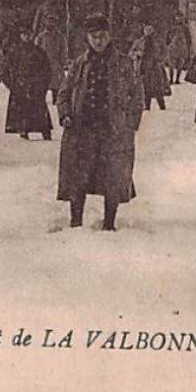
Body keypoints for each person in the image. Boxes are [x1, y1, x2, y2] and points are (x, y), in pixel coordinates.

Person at [57, 13, 144, 231]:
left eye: (102, 36)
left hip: (112, 129)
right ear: (87, 38)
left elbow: (137, 95)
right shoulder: (79, 64)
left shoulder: (123, 63)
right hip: (82, 129)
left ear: (109, 35)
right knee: (78, 176)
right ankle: (76, 221)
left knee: (112, 176)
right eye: (94, 36)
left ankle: (109, 223)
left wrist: (130, 124)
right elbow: (64, 93)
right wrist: (65, 114)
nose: (98, 41)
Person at [3, 25, 55, 140]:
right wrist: (12, 86)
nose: (27, 37)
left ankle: (45, 130)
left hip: (36, 86)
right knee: (23, 110)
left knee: (39, 109)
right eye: (24, 34)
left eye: (29, 34)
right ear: (20, 36)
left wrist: (43, 85)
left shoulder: (39, 51)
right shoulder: (14, 52)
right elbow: (4, 70)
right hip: (20, 85)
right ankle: (23, 129)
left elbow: (47, 69)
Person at [130, 23, 171, 111]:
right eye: (146, 32)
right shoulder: (139, 42)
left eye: (150, 32)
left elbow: (164, 52)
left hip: (155, 67)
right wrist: (137, 54)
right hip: (144, 67)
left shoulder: (158, 42)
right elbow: (131, 53)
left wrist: (160, 59)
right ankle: (147, 106)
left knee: (158, 87)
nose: (148, 34)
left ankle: (162, 106)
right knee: (146, 87)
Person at [32, 14, 68, 102]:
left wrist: (62, 62)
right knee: (42, 85)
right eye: (48, 21)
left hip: (55, 64)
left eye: (52, 21)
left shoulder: (60, 36)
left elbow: (64, 49)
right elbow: (35, 49)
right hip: (43, 64)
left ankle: (56, 100)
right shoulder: (41, 37)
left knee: (57, 86)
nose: (50, 23)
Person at [164, 14, 193, 86]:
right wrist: (168, 44)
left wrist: (188, 47)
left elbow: (188, 38)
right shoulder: (172, 28)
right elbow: (167, 37)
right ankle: (171, 79)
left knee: (180, 63)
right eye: (177, 18)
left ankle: (177, 79)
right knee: (171, 64)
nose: (179, 19)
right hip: (173, 48)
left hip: (182, 48)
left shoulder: (185, 28)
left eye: (180, 18)